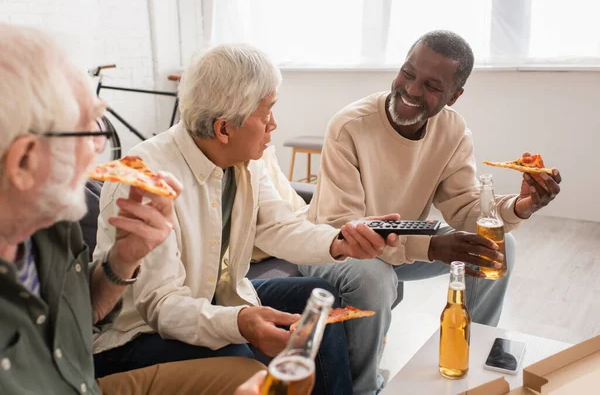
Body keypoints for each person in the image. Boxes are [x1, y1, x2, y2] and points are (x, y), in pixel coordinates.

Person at [92, 43, 400, 395]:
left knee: (320, 305)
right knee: (238, 354)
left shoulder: (246, 161)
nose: (274, 124)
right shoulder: (147, 179)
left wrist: (339, 240)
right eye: (267, 112)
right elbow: (163, 308)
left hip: (218, 300)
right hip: (138, 335)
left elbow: (278, 226)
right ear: (224, 129)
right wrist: (241, 324)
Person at [0, 22, 267, 395]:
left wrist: (121, 261)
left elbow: (83, 313)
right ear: (24, 162)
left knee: (250, 377)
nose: (100, 148)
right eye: (87, 131)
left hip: (82, 379)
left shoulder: (54, 225)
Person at [300, 30, 562, 394]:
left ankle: (470, 360)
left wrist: (522, 205)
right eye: (408, 73)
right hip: (331, 246)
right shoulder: (349, 126)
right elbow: (346, 229)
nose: (411, 89)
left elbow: (467, 207)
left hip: (400, 240)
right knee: (374, 277)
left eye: (431, 85)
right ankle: (363, 389)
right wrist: (429, 248)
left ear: (455, 95)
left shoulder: (452, 130)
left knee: (500, 246)